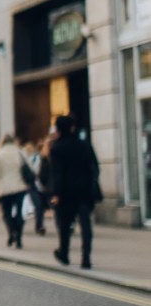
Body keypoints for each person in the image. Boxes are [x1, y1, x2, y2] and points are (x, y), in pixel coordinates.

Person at [50, 114, 101, 270]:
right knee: (85, 225)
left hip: (66, 193)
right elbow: (95, 167)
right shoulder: (84, 145)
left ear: (59, 130)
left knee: (65, 225)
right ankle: (86, 258)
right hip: (84, 191)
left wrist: (56, 194)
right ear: (72, 128)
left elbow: (57, 173)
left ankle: (64, 254)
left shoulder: (57, 148)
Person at [0, 133, 28, 249]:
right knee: (19, 213)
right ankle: (18, 237)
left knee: (6, 213)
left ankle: (12, 232)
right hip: (20, 187)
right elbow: (30, 168)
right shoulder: (19, 152)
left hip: (4, 189)